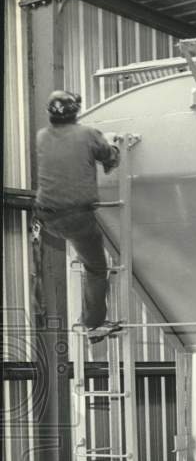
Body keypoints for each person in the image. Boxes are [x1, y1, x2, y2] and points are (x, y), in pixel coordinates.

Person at [33, 90, 121, 343]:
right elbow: (109, 156)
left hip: (47, 216)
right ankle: (93, 325)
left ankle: (90, 320)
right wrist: (113, 145)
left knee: (85, 258)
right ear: (76, 111)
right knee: (95, 267)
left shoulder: (41, 137)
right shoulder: (88, 134)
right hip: (76, 217)